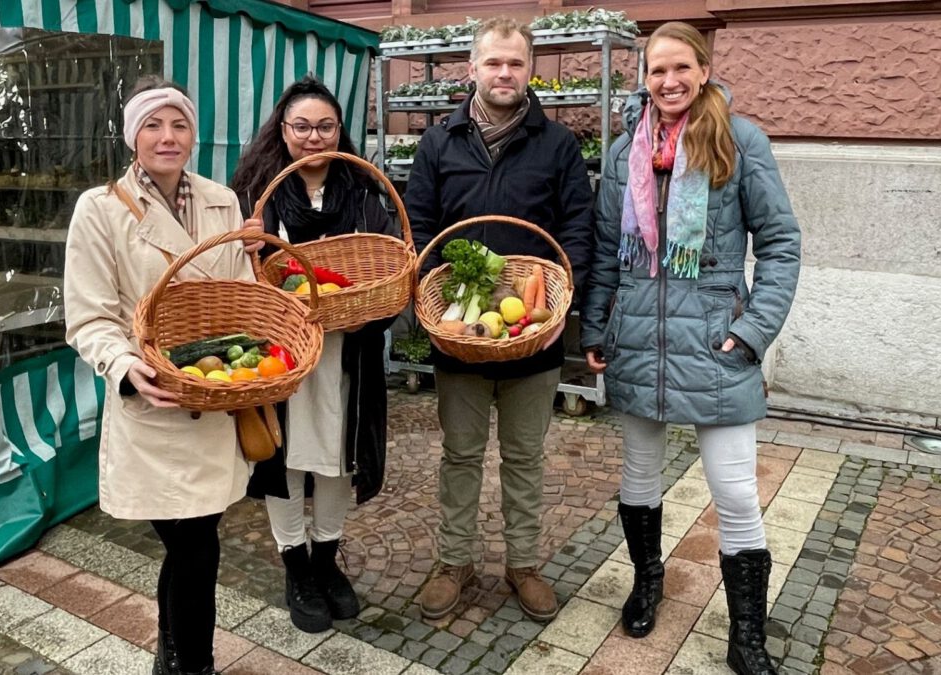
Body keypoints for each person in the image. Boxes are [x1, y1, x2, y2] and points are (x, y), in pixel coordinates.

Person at [580, 22, 801, 675]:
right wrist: (596, 326)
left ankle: (746, 635)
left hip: (715, 341)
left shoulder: (740, 139)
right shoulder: (624, 152)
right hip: (639, 338)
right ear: (642, 76)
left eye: (681, 68)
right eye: (656, 71)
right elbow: (602, 254)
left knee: (733, 492)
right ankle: (647, 583)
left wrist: (753, 327)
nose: (669, 82)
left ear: (703, 69)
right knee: (639, 476)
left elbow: (782, 244)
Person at [64, 76, 260, 675]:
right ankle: (189, 661)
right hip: (153, 404)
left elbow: (239, 296)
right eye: (153, 125)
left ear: (193, 133)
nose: (168, 137)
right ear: (132, 137)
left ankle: (175, 655)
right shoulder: (99, 210)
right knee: (193, 545)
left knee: (195, 543)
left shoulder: (222, 200)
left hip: (216, 395)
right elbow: (88, 315)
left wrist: (264, 331)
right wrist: (124, 368)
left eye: (179, 124)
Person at [404, 17, 594, 622]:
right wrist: (433, 295)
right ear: (473, 70)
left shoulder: (557, 144)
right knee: (459, 454)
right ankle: (454, 559)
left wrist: (563, 302)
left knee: (524, 455)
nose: (505, 73)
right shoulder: (440, 142)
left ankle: (524, 563)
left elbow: (577, 230)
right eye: (494, 63)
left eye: (515, 63)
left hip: (531, 333)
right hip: (459, 336)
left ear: (528, 69)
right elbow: (422, 225)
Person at [229, 75, 397, 634]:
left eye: (326, 126)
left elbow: (388, 274)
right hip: (283, 357)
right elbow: (236, 285)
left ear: (340, 131)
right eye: (302, 126)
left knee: (336, 457)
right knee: (284, 459)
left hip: (347, 356)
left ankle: (326, 563)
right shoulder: (257, 199)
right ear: (283, 130)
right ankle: (295, 567)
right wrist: (246, 249)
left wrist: (370, 307)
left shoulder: (365, 196)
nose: (314, 137)